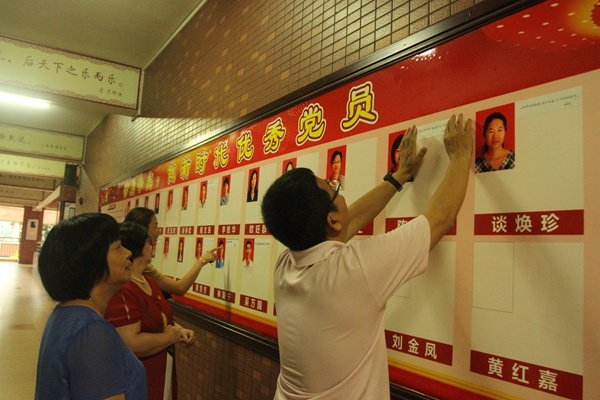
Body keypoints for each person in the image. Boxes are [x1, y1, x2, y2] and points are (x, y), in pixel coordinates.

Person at [261, 114, 473, 399]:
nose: (340, 193)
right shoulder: (354, 270)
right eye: (334, 189)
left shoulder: (286, 264)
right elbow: (439, 219)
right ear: (331, 219)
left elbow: (348, 221)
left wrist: (399, 176)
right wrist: (461, 156)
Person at [35, 213, 147, 399]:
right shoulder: (92, 332)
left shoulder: (66, 313)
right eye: (118, 247)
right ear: (93, 262)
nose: (128, 253)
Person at [105, 222, 196, 400]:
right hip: (141, 375)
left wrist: (178, 330)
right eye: (148, 241)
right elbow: (131, 342)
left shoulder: (150, 282)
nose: (153, 244)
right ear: (138, 247)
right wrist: (168, 337)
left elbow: (161, 318)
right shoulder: (123, 288)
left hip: (163, 369)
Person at [124, 207, 218, 295]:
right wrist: (201, 261)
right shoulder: (136, 263)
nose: (159, 232)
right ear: (142, 229)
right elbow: (179, 288)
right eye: (155, 226)